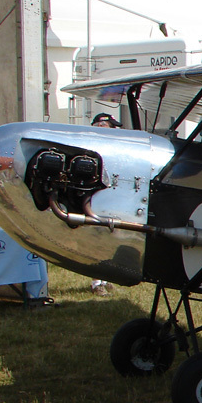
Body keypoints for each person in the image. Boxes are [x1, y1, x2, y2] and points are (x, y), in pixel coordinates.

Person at [89, 112, 121, 295]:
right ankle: (96, 282)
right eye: (111, 126)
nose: (115, 130)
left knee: (110, 236)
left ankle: (105, 277)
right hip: (98, 197)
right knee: (97, 239)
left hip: (110, 197)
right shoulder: (95, 148)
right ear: (101, 125)